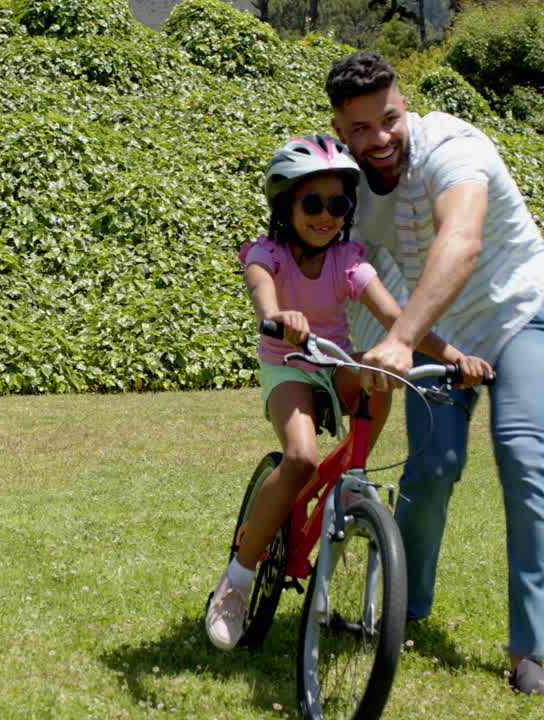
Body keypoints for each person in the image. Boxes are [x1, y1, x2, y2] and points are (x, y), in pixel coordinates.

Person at [326, 50, 544, 696]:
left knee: (521, 453)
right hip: (441, 333)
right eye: (360, 128)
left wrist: (401, 340)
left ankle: (529, 651)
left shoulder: (455, 149)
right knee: (432, 468)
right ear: (342, 130)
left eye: (390, 119)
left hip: (519, 314)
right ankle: (408, 607)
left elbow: (460, 242)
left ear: (406, 106)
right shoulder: (354, 184)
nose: (379, 139)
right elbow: (350, 267)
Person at [204, 135, 491, 652]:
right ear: (286, 205)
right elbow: (262, 297)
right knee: (300, 460)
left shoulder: (349, 260)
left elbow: (398, 321)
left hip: (333, 362)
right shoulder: (265, 254)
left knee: (381, 365)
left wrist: (451, 356)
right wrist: (278, 318)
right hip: (288, 367)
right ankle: (238, 581)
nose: (326, 215)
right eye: (312, 203)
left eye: (338, 204)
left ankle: (355, 478)